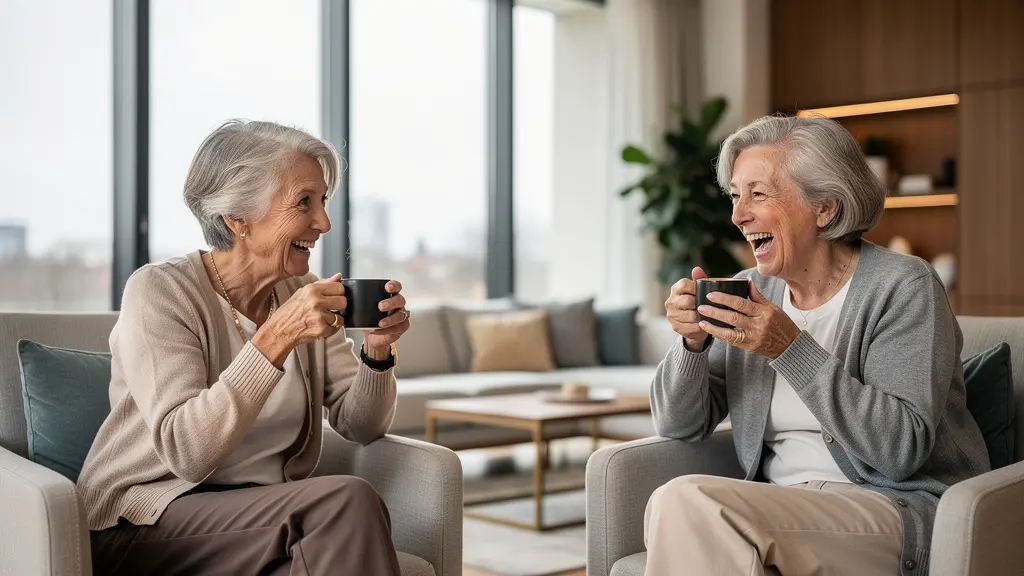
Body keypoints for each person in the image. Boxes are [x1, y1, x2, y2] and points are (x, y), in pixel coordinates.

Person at [644, 114, 989, 576]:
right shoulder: (752, 290)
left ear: (824, 208)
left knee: (685, 501)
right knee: (678, 508)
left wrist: (789, 347)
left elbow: (899, 450)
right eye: (735, 195)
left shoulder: (904, 287)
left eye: (758, 194)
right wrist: (691, 345)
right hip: (781, 508)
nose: (737, 215)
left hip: (890, 509)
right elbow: (678, 424)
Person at [78, 120, 411, 576]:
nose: (324, 223)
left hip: (258, 520)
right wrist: (276, 336)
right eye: (304, 203)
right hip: (144, 520)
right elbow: (187, 452)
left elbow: (362, 426)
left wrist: (376, 352)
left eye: (323, 200)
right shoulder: (160, 291)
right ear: (237, 219)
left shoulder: (302, 289)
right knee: (345, 502)